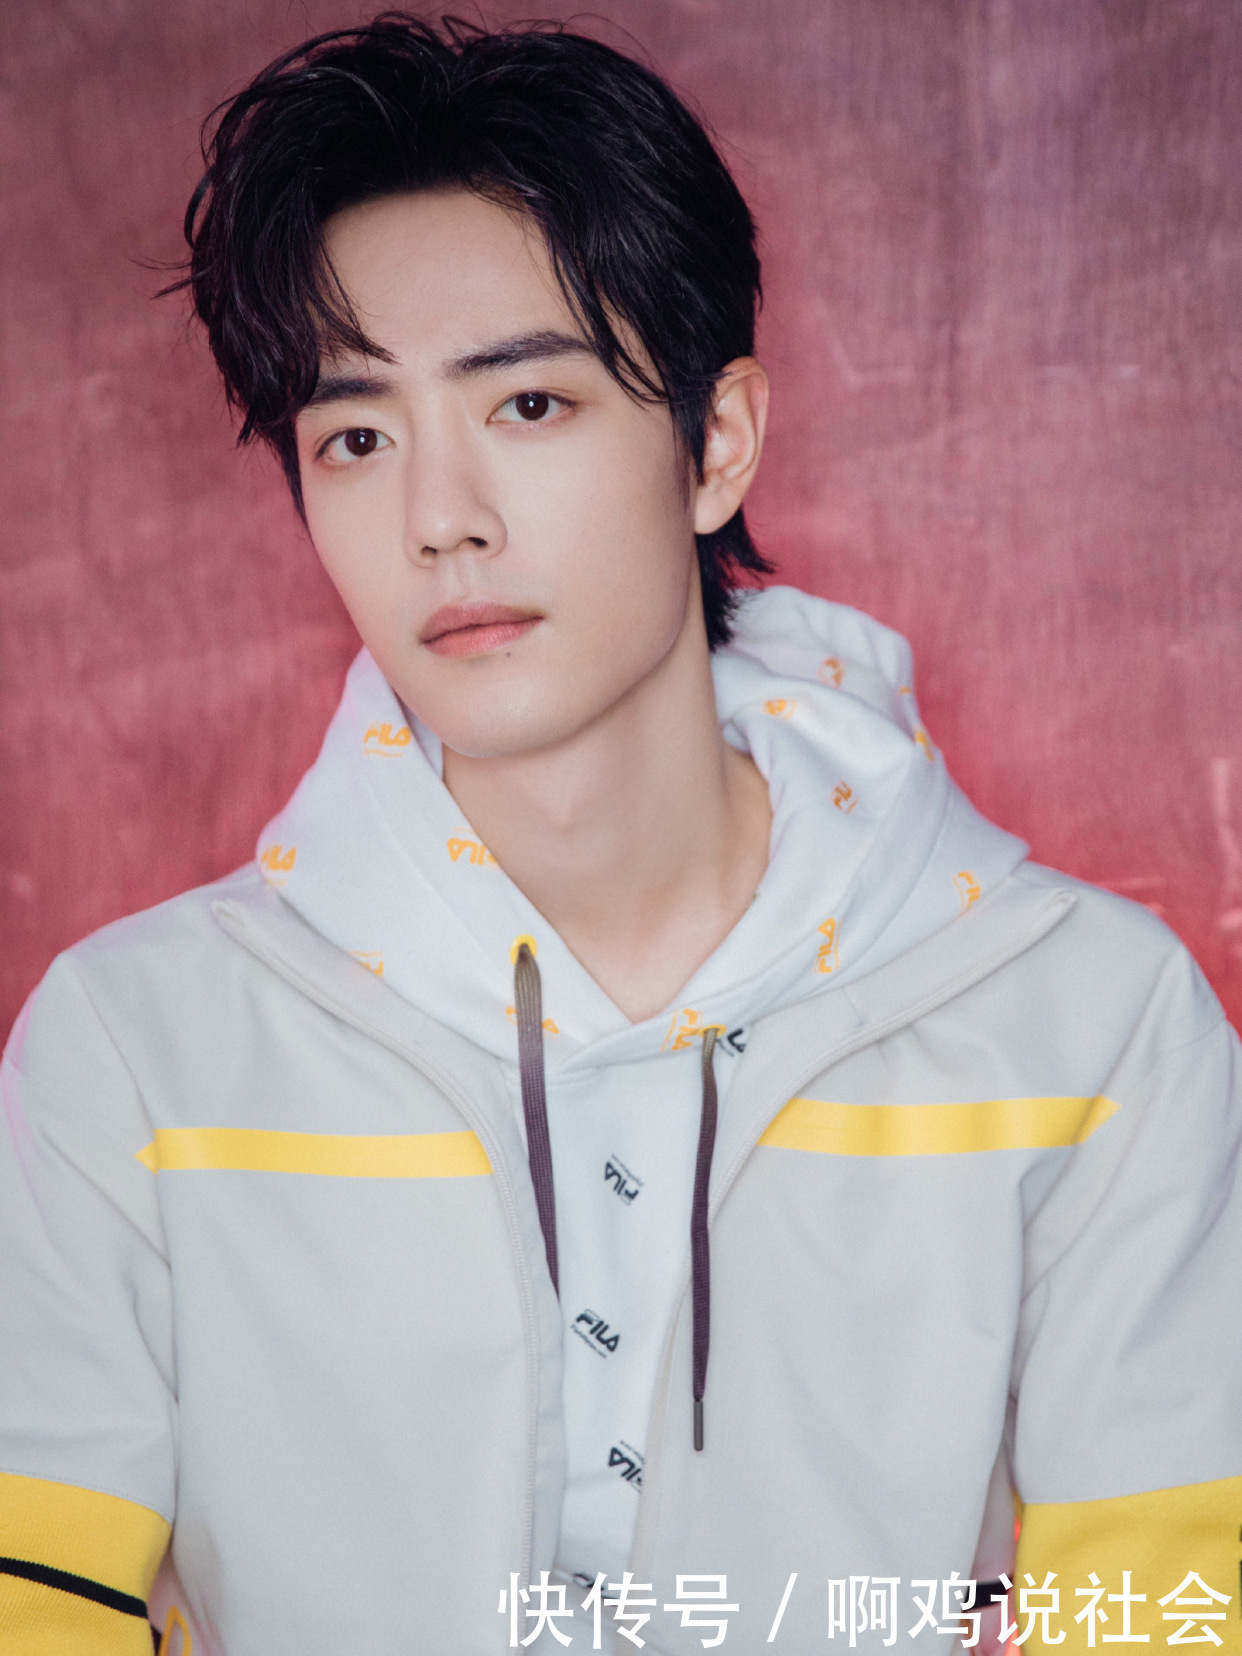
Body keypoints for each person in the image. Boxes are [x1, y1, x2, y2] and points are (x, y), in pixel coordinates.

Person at [1, 15, 1239, 1656]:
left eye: (528, 403)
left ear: (714, 443)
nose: (440, 519)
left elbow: (1163, 1608)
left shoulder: (1086, 1019)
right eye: (355, 437)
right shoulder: (135, 1043)